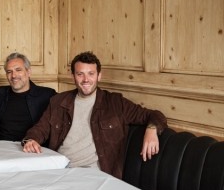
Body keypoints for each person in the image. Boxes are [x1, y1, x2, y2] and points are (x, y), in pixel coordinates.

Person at [22, 51, 168, 179]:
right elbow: (40, 128)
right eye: (80, 74)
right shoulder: (59, 101)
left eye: (91, 74)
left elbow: (155, 115)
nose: (86, 80)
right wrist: (32, 140)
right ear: (73, 76)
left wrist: (151, 129)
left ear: (99, 76)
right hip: (59, 169)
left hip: (94, 176)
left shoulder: (116, 103)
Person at [0, 52, 56, 141]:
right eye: (9, 72)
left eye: (18, 70)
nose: (14, 75)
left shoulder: (47, 95)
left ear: (28, 72)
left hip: (31, 148)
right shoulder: (0, 94)